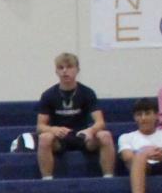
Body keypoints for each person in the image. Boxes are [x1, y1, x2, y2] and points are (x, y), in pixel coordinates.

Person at [36, 51, 113, 179]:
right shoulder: (48, 95)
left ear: (77, 70)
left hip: (82, 136)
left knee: (105, 135)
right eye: (61, 68)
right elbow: (40, 126)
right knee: (44, 138)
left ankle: (108, 177)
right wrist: (52, 129)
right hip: (60, 138)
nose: (65, 71)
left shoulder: (87, 93)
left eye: (69, 67)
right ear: (56, 71)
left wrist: (90, 130)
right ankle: (47, 180)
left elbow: (100, 122)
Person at [121, 99, 162, 193]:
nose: (143, 118)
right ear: (135, 118)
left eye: (147, 114)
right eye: (139, 115)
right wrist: (145, 153)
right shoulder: (126, 137)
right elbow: (127, 157)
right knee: (139, 156)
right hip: (140, 166)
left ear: (157, 116)